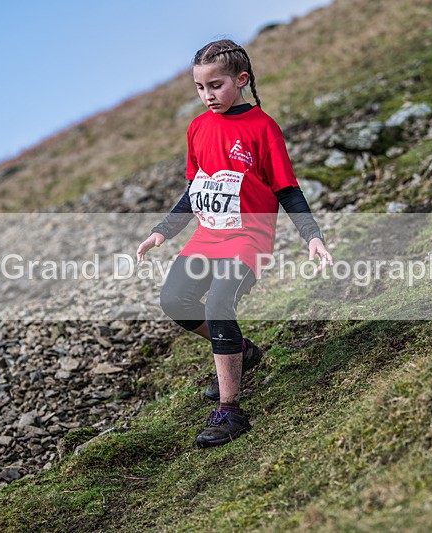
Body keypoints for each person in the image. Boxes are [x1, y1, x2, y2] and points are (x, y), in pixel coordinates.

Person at [136, 39, 332, 447]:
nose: (207, 95)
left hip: (248, 238)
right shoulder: (198, 128)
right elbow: (195, 189)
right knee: (175, 301)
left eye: (216, 85)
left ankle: (231, 411)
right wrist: (163, 230)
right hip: (207, 236)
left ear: (241, 80)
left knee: (218, 303)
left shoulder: (263, 128)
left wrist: (311, 235)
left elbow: (288, 189)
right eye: (200, 87)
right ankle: (240, 350)